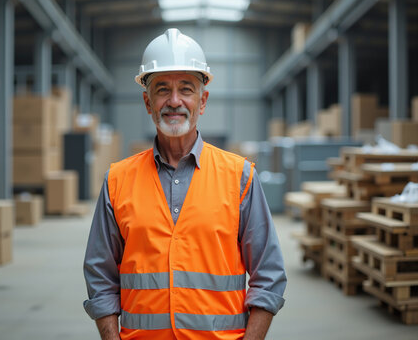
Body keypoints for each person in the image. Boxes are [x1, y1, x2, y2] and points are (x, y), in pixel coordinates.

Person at [83, 28, 286, 340]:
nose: (174, 101)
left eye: (186, 89)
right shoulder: (117, 180)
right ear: (147, 102)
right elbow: (100, 277)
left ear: (202, 101)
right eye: (162, 89)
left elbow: (269, 276)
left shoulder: (240, 177)